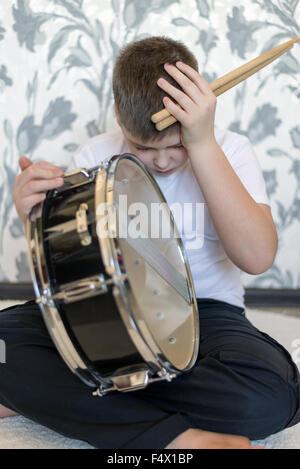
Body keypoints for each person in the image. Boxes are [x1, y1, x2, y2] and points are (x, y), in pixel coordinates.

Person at [1, 36, 299, 449]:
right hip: (106, 315)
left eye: (176, 146)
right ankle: (177, 438)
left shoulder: (230, 148)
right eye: (143, 148)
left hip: (206, 316)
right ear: (120, 117)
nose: (162, 161)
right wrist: (32, 216)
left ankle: (50, 392)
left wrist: (201, 142)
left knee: (272, 392)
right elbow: (69, 276)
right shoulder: (95, 156)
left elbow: (257, 257)